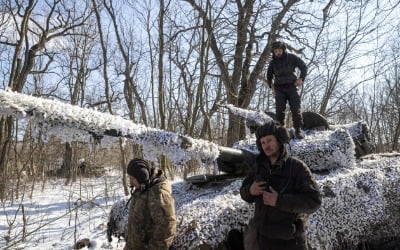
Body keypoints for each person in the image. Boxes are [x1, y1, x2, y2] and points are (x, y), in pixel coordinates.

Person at [240, 121, 321, 250]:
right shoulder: (258, 167)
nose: (266, 145)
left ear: (279, 140)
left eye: (269, 141)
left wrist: (279, 201)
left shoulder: (297, 168)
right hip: (263, 240)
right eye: (263, 143)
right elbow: (244, 193)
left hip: (290, 242)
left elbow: (314, 201)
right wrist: (250, 191)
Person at [124, 158, 176, 250]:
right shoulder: (141, 188)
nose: (130, 182)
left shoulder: (158, 194)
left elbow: (166, 228)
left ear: (142, 177)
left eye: (132, 179)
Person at [266, 41, 308, 139]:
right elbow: (269, 76)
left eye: (280, 50)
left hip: (292, 86)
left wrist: (301, 78)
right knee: (279, 111)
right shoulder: (272, 63)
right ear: (273, 52)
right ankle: (281, 132)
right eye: (276, 51)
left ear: (283, 50)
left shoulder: (292, 58)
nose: (278, 52)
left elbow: (303, 67)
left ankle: (298, 130)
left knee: (295, 109)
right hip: (279, 89)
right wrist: (271, 86)